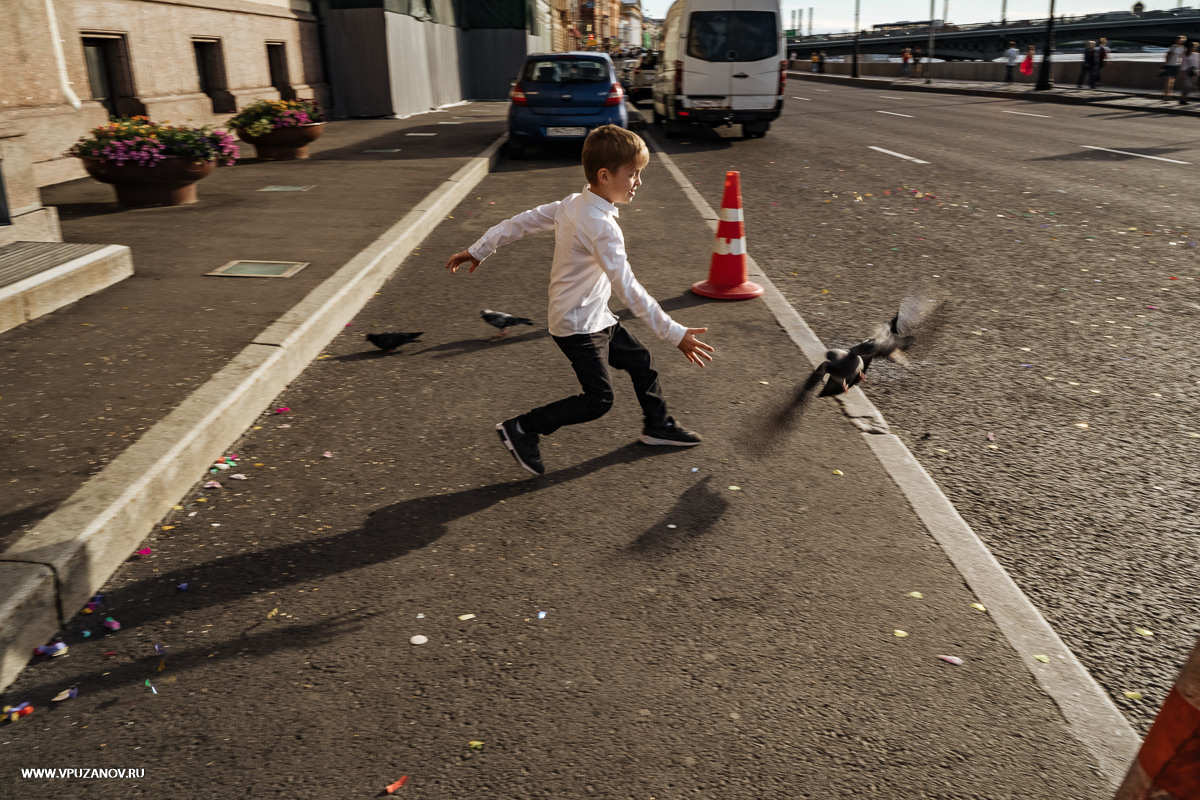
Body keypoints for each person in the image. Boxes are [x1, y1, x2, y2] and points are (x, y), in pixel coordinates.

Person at [444, 125, 714, 477]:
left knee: (640, 361)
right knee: (598, 400)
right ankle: (522, 428)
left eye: (639, 173)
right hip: (577, 327)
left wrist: (479, 249)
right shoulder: (602, 226)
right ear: (604, 176)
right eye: (633, 174)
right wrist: (675, 333)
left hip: (596, 316)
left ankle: (658, 425)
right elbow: (629, 289)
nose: (638, 182)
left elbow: (521, 223)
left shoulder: (573, 203)